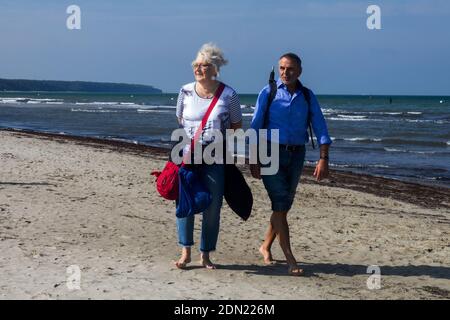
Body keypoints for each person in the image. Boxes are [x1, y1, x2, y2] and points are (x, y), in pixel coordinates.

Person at [250, 53, 332, 276]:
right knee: (279, 203)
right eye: (282, 68)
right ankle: (290, 259)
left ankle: (265, 246)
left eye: (290, 69)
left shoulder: (307, 95)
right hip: (270, 153)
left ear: (300, 71)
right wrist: (253, 157)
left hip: (297, 154)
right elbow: (255, 126)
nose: (285, 73)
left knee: (283, 206)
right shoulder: (268, 93)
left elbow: (320, 126)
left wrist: (323, 158)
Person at [174, 43, 242, 269]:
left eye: (204, 65)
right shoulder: (184, 91)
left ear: (215, 69)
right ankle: (185, 252)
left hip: (216, 159)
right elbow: (180, 120)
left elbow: (236, 126)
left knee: (212, 207)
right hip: (188, 157)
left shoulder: (229, 95)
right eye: (196, 65)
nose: (199, 69)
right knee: (186, 202)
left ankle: (205, 254)